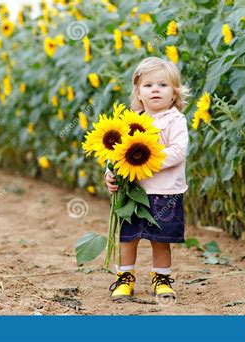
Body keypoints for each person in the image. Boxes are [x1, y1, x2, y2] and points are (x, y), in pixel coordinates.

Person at [104, 57, 189, 301]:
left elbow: (177, 151)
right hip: (132, 192)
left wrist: (145, 163)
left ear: (174, 94)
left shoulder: (175, 120)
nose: (155, 90)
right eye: (148, 85)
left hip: (166, 192)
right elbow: (114, 155)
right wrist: (110, 174)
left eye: (163, 85)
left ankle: (161, 279)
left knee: (160, 239)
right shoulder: (130, 121)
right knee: (128, 238)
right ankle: (125, 278)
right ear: (138, 93)